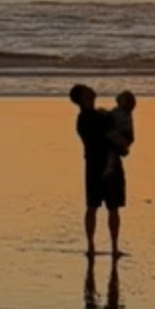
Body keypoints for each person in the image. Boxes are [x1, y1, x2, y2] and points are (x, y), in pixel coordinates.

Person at [67, 84, 124, 257]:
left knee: (92, 206)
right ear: (84, 97)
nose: (90, 90)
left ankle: (91, 245)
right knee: (113, 207)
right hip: (110, 164)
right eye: (86, 90)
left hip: (92, 165)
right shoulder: (100, 118)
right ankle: (114, 247)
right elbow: (118, 140)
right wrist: (124, 145)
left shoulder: (82, 119)